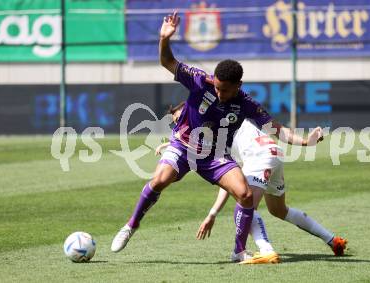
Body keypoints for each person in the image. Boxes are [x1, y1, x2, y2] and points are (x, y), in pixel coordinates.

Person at [110, 11, 324, 263]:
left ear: (239, 85)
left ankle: (238, 252)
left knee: (245, 195)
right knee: (159, 180)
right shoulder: (200, 81)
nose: (219, 92)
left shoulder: (246, 103)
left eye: (225, 89)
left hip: (215, 156)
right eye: (217, 87)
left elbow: (276, 128)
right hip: (184, 145)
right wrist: (164, 39)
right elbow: (167, 61)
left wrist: (306, 141)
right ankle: (131, 226)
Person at [156, 104, 347, 264]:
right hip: (274, 153)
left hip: (259, 157)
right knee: (279, 210)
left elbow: (198, 145)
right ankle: (332, 239)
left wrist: (174, 146)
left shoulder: (213, 130)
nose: (180, 123)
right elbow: (227, 180)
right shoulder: (223, 121)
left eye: (180, 118)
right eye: (176, 122)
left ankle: (266, 250)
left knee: (245, 208)